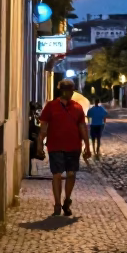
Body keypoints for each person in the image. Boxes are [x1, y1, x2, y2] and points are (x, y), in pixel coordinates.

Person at [37, 79, 90, 216]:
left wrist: (87, 146)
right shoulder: (51, 106)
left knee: (71, 174)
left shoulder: (77, 107)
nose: (71, 92)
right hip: (55, 146)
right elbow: (43, 127)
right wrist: (39, 144)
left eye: (72, 89)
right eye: (68, 89)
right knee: (57, 175)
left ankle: (67, 200)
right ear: (62, 90)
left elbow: (82, 127)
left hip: (73, 146)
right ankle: (57, 204)